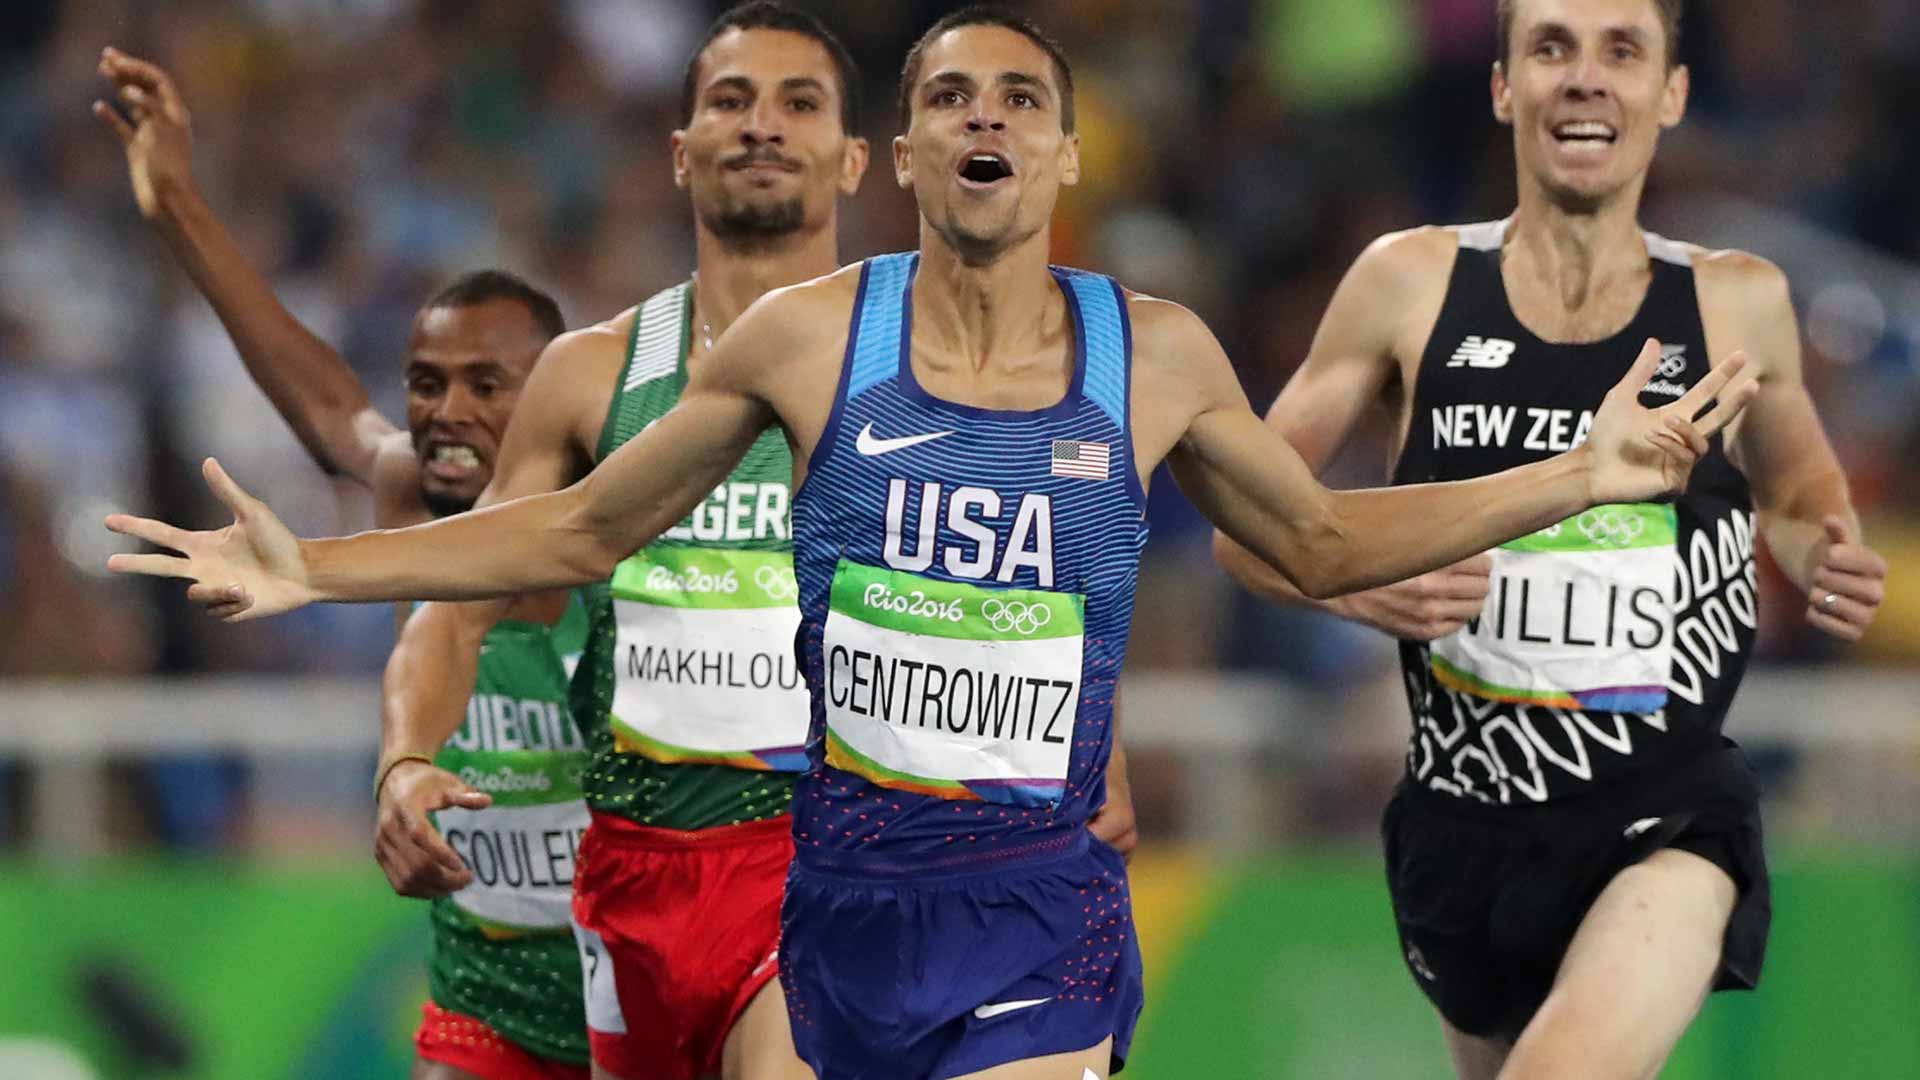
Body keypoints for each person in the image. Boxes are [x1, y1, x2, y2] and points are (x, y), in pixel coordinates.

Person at [104, 6, 1758, 1078]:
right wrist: (311, 568)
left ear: (1064, 151)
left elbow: (1321, 542)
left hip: (1039, 914)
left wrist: (1580, 473)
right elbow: (588, 522)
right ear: (903, 157)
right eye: (950, 96)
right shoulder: (812, 341)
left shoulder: (1154, 354)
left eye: (1020, 98)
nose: (987, 117)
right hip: (837, 914)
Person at [1211, 1, 1889, 1077]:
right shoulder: (1407, 285)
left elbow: (1798, 480)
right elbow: (1245, 520)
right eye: (1551, 47)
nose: (1585, 77)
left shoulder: (1737, 299)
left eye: (1623, 50)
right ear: (1501, 86)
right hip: (1463, 823)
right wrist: (1349, 585)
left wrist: (1821, 545)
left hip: (1666, 817)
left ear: (1671, 92)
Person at [94, 48, 593, 1080]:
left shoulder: (619, 518)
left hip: (635, 992)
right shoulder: (415, 491)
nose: (446, 411)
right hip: (485, 1002)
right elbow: (326, 401)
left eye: (487, 384)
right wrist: (177, 201)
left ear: (556, 396)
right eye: (426, 382)